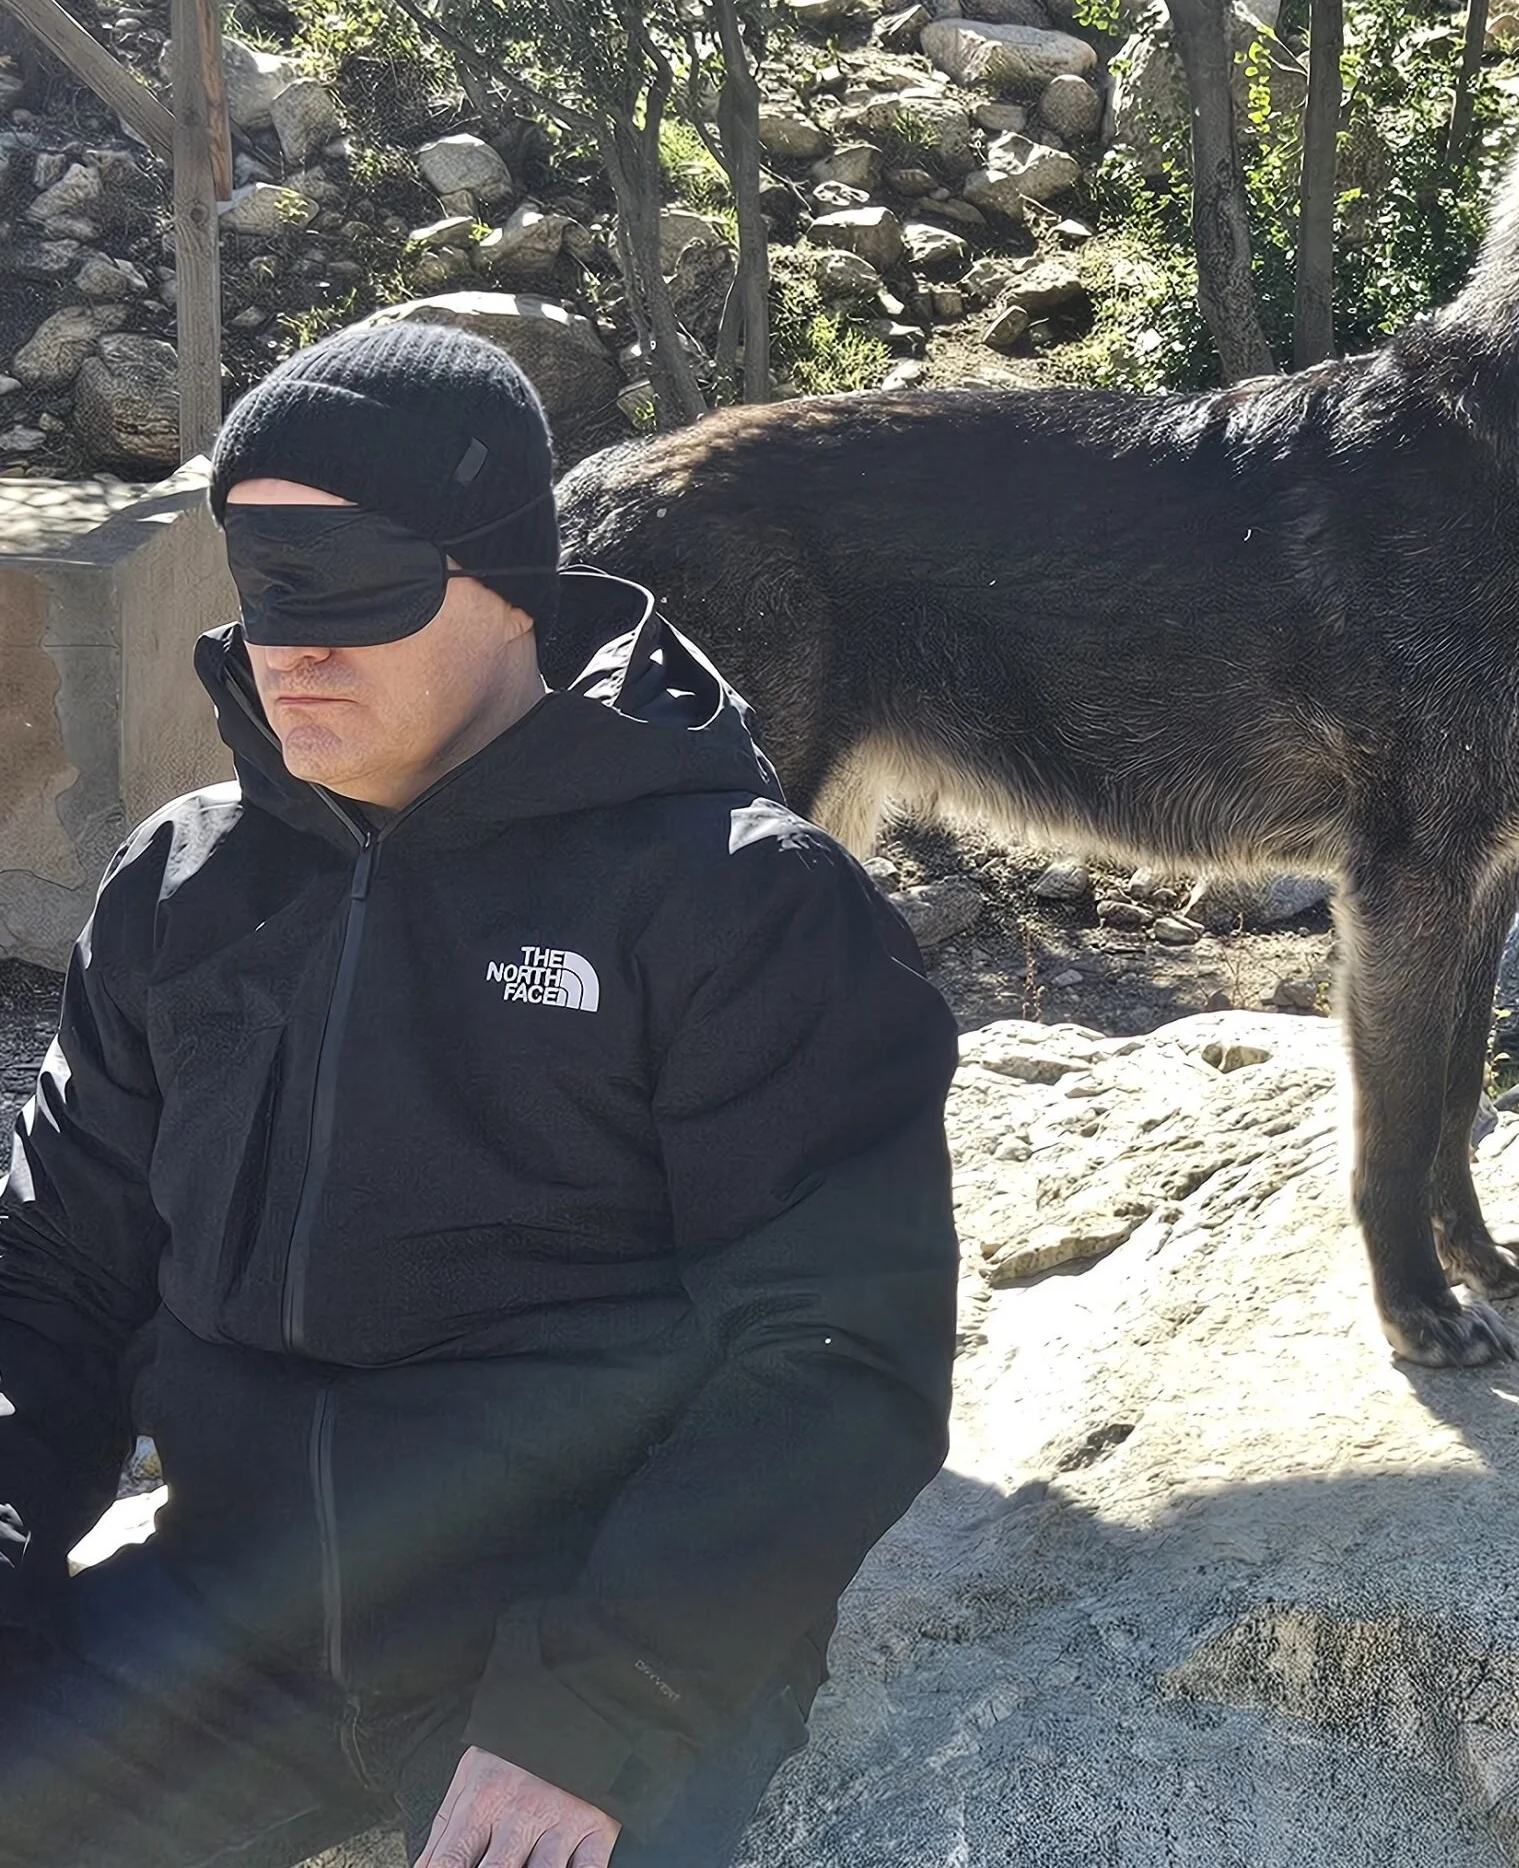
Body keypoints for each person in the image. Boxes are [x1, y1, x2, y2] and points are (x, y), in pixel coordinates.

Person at [0, 323, 960, 1868]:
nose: (286, 648)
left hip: (574, 1637)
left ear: (505, 586)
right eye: (260, 588)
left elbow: (838, 1355)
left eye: (347, 588)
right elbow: (52, 1272)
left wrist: (599, 1708)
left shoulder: (739, 904)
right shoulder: (183, 882)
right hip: (219, 1626)